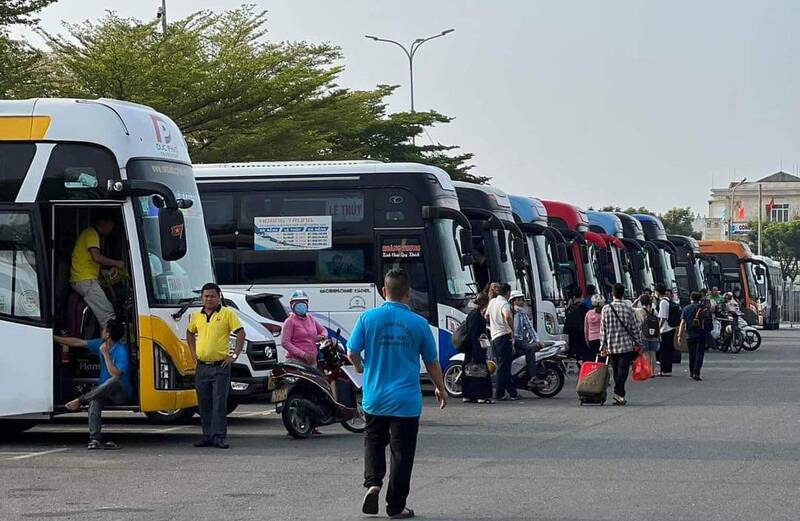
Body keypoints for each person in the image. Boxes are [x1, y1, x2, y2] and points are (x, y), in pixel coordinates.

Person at [347, 268, 447, 519]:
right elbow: (432, 362)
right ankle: (396, 505)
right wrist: (440, 388)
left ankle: (373, 483)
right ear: (408, 294)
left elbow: (352, 352)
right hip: (406, 401)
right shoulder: (419, 323)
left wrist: (360, 367)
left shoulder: (367, 318)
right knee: (402, 453)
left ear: (384, 292)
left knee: (373, 441)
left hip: (375, 397)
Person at [54, 319, 131, 450]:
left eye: (104, 329)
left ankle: (80, 400)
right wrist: (54, 337)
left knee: (114, 381)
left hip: (119, 393)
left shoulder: (121, 350)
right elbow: (78, 342)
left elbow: (116, 374)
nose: (102, 330)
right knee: (94, 401)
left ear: (108, 334)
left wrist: (106, 354)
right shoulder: (100, 343)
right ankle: (95, 438)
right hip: (102, 392)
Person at [187, 283, 246, 449]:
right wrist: (193, 354)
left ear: (218, 296)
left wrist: (234, 355)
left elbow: (241, 333)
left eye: (212, 296)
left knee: (219, 402)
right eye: (206, 296)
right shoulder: (197, 315)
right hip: (202, 366)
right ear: (202, 297)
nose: (209, 299)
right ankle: (207, 435)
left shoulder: (227, 314)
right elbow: (190, 332)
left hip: (220, 366)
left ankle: (219, 436)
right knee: (203, 402)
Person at [70, 210, 125, 328]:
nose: (112, 229)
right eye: (111, 225)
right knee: (108, 315)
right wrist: (117, 263)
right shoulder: (91, 233)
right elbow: (97, 257)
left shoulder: (90, 234)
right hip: (85, 280)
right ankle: (112, 345)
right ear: (104, 222)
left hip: (85, 278)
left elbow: (93, 262)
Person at [600, 284, 642, 405]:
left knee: (616, 370)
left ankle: (619, 393)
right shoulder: (628, 309)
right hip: (626, 346)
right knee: (623, 370)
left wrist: (602, 346)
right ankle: (619, 393)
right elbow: (635, 328)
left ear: (612, 294)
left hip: (611, 345)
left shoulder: (605, 309)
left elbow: (603, 329)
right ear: (623, 294)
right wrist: (639, 342)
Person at [486, 283, 518, 401]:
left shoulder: (492, 302)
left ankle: (512, 392)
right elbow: (507, 316)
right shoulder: (504, 303)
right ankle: (499, 393)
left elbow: (487, 315)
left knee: (502, 365)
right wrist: (511, 329)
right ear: (507, 292)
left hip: (494, 337)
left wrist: (494, 324)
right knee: (503, 367)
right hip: (503, 336)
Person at [460, 293, 493, 404]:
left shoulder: (471, 314)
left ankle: (468, 394)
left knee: (469, 370)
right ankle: (481, 395)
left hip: (469, 348)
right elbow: (475, 334)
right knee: (479, 370)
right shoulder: (477, 315)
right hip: (476, 347)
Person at [282, 290, 327, 366]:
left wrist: (323, 336)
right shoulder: (289, 321)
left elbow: (323, 330)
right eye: (297, 304)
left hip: (312, 361)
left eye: (303, 303)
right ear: (292, 305)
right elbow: (285, 343)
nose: (301, 306)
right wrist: (303, 355)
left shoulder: (310, 318)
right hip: (296, 361)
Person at [510, 290, 545, 386]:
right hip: (511, 339)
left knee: (530, 349)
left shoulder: (522, 312)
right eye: (519, 300)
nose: (521, 302)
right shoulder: (507, 311)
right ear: (513, 301)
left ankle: (533, 377)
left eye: (522, 300)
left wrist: (537, 340)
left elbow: (529, 328)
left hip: (519, 340)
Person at [677, 291, 707, 381]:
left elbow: (682, 323)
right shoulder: (703, 308)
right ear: (700, 299)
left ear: (691, 298)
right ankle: (696, 372)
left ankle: (691, 372)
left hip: (690, 334)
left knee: (692, 353)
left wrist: (679, 335)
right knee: (700, 354)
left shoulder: (686, 308)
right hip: (701, 333)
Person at [634, 294, 659, 378]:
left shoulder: (639, 311)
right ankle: (653, 372)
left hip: (644, 335)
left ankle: (648, 372)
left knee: (646, 354)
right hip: (654, 335)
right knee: (653, 354)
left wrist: (636, 300)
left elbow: (630, 308)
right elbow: (658, 320)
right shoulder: (654, 311)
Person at [656, 284, 676, 377]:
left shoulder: (663, 302)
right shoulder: (668, 301)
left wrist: (658, 329)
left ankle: (664, 370)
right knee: (668, 350)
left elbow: (662, 318)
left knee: (664, 351)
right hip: (671, 328)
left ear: (657, 292)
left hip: (665, 329)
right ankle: (668, 370)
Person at [563, 287, 588, 363]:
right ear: (581, 295)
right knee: (582, 348)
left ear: (574, 296)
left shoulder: (570, 307)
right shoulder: (583, 306)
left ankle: (574, 357)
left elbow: (566, 315)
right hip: (580, 331)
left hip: (571, 331)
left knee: (574, 347)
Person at [583, 295, 604, 361]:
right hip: (601, 339)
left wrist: (587, 341)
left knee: (593, 359)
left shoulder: (588, 314)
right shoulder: (602, 314)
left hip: (591, 339)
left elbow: (586, 329)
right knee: (602, 359)